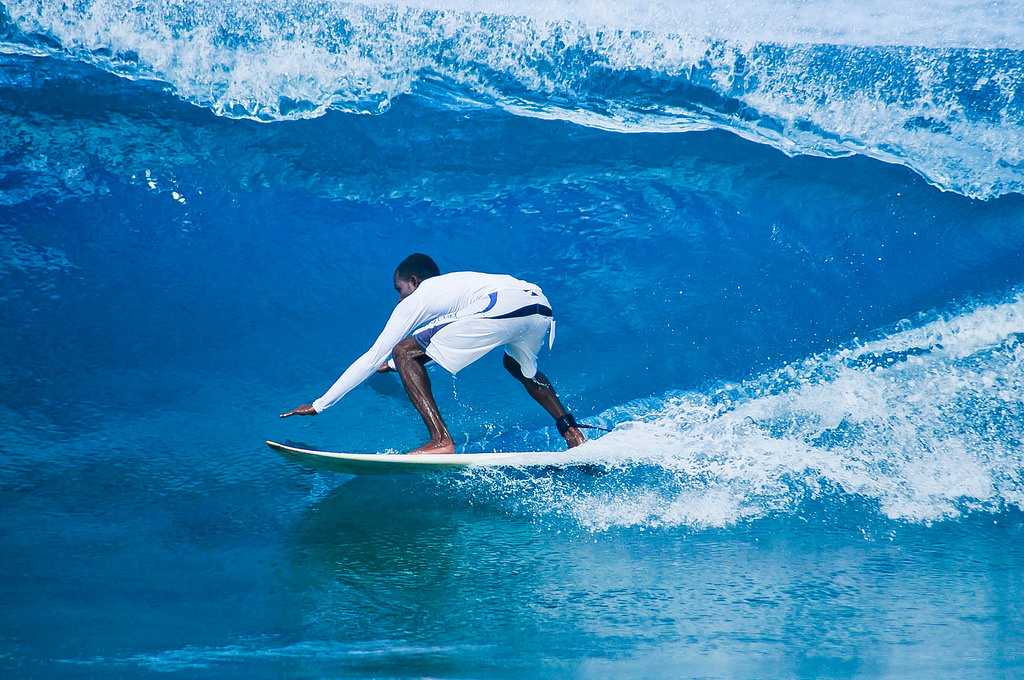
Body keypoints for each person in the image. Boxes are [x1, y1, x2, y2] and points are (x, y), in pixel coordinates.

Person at [280, 253, 588, 454]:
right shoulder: (460, 285)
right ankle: (571, 431)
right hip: (538, 305)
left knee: (404, 351)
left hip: (503, 307)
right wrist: (395, 364)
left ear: (413, 282)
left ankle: (441, 440)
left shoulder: (420, 297)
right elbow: (446, 333)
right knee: (519, 367)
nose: (399, 296)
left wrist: (321, 404)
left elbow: (374, 355)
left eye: (398, 289)